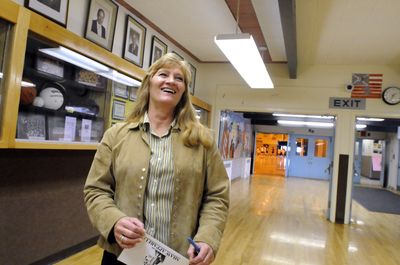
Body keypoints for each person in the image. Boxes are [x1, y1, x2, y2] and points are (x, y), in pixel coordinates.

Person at [84, 53, 230, 265]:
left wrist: (208, 237)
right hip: (123, 255)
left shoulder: (202, 140)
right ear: (149, 83)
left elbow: (217, 196)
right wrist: (114, 221)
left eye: (179, 78)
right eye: (163, 74)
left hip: (180, 257)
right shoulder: (116, 135)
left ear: (183, 92)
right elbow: (95, 189)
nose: (171, 81)